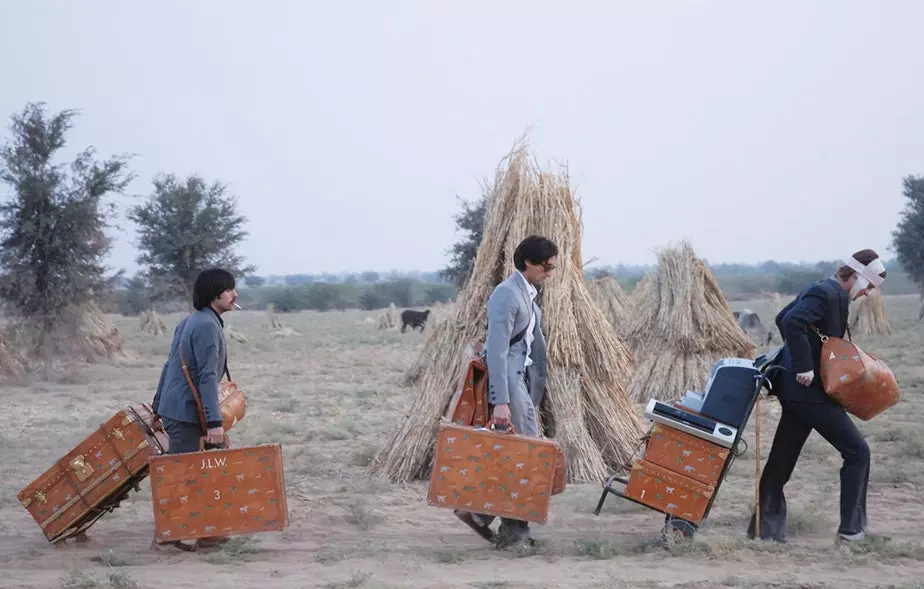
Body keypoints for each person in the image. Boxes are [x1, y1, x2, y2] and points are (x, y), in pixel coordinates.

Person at [747, 249, 886, 544]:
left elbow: (783, 316)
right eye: (870, 286)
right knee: (858, 452)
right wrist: (804, 365)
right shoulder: (828, 293)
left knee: (782, 460)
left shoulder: (823, 289)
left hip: (797, 393)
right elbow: (793, 322)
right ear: (858, 277)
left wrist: (803, 356)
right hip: (808, 393)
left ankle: (764, 530)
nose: (868, 293)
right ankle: (851, 531)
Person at [454, 235, 557, 550]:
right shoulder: (506, 294)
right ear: (529, 262)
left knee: (522, 455)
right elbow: (497, 351)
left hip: (520, 382)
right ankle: (512, 531)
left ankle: (484, 515)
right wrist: (500, 402)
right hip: (508, 384)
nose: (550, 272)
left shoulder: (528, 295)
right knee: (522, 455)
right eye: (547, 266)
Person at [151, 267, 238, 551]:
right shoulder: (206, 326)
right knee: (186, 473)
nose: (234, 294)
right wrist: (214, 423)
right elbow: (207, 377)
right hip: (187, 412)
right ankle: (171, 535)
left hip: (177, 408)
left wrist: (157, 406)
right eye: (228, 289)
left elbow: (169, 366)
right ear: (215, 294)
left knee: (198, 470)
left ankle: (203, 532)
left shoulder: (191, 321)